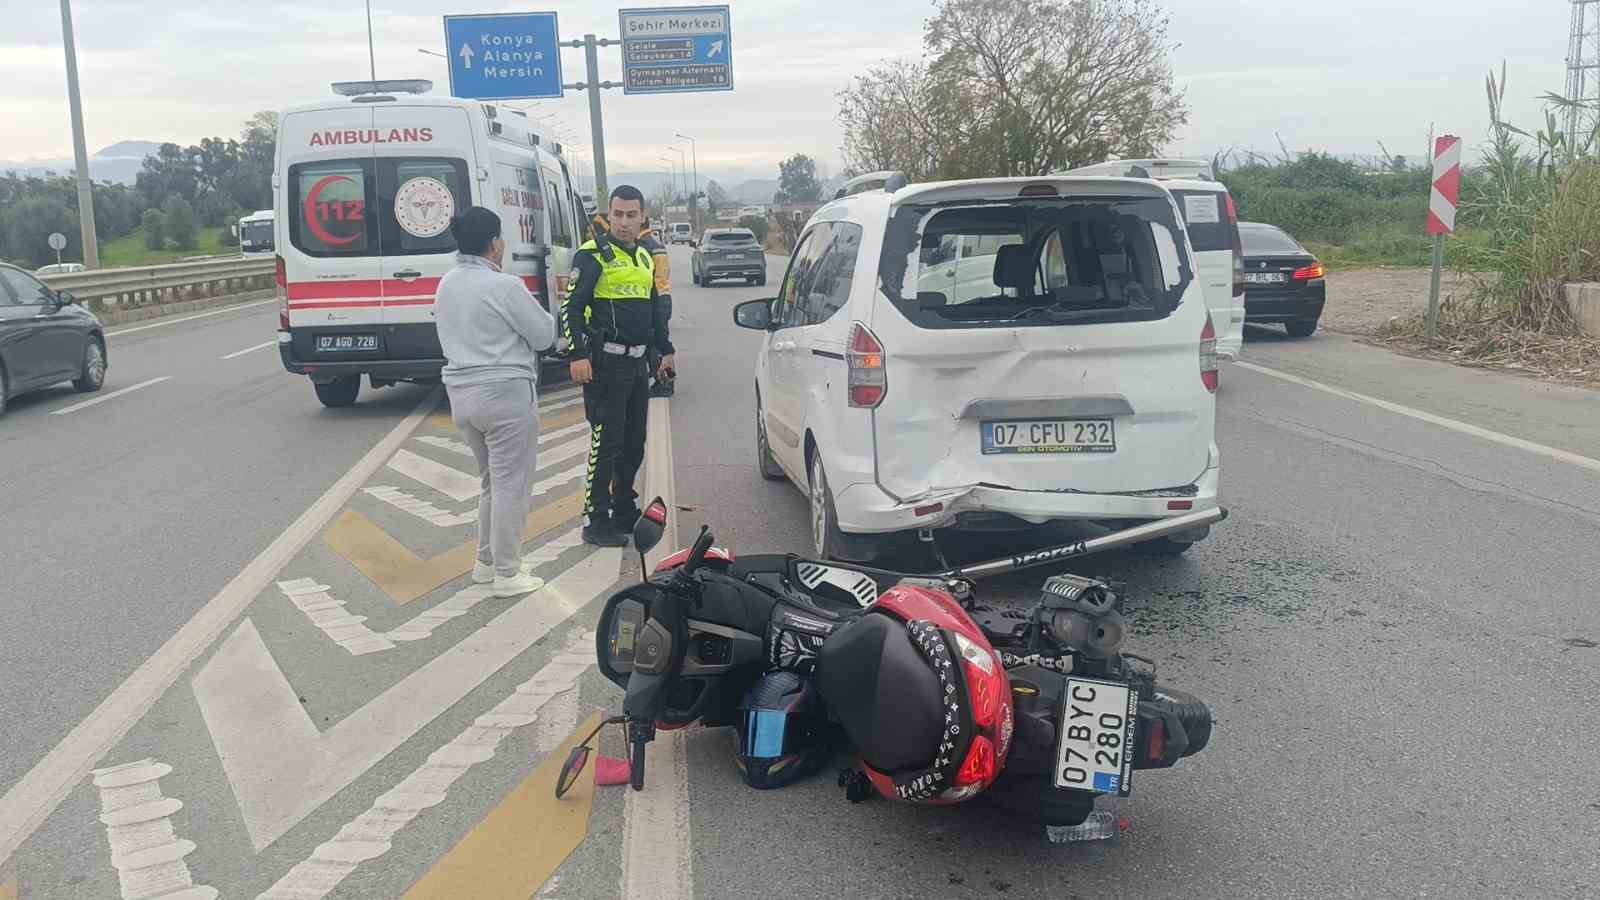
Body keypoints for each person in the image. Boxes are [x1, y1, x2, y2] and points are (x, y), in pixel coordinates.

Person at [436, 206, 556, 596]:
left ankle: (485, 563)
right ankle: (508, 573)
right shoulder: (505, 286)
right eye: (500, 238)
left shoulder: (447, 283)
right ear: (494, 244)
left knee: (490, 483)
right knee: (511, 486)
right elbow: (543, 336)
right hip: (504, 395)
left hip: (461, 395)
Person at [564, 185, 676, 547]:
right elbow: (572, 308)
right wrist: (577, 353)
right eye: (618, 215)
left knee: (634, 443)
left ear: (643, 216)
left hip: (637, 364)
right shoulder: (591, 255)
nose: (624, 222)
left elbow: (653, 309)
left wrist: (664, 350)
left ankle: (624, 509)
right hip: (606, 365)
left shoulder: (644, 256)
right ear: (607, 215)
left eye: (632, 215)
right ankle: (595, 521)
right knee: (606, 442)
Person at [637, 218, 676, 397]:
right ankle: (663, 382)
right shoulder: (656, 243)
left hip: (655, 297)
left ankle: (664, 384)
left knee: (655, 343)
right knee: (661, 338)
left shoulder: (643, 245)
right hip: (664, 295)